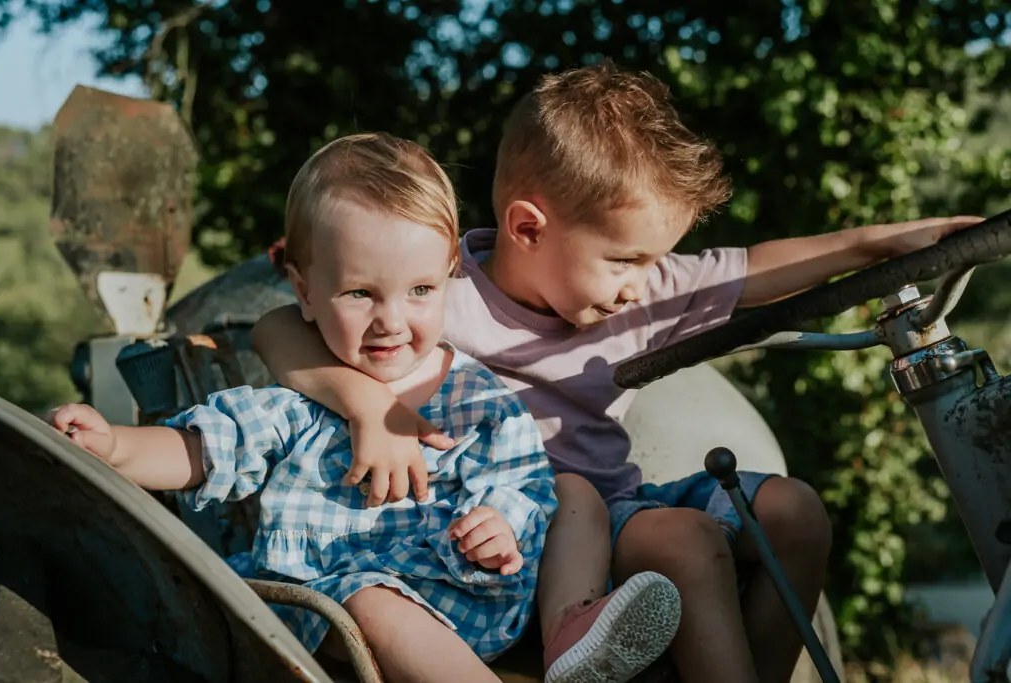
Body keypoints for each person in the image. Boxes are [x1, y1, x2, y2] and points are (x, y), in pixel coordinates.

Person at [250, 63, 982, 683]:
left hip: (610, 511)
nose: (643, 283)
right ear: (529, 227)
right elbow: (279, 325)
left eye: (653, 260)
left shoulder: (642, 291)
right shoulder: (444, 294)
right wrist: (368, 405)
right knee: (688, 540)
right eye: (625, 260)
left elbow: (757, 268)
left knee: (795, 512)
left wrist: (883, 241)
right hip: (490, 527)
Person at [49, 132, 591, 683]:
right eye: (360, 294)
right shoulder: (300, 405)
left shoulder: (481, 399)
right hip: (333, 606)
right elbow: (206, 448)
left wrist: (498, 526)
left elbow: (526, 488)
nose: (391, 320)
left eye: (420, 290)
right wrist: (114, 446)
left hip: (468, 604)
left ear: (451, 273)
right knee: (369, 601)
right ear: (304, 293)